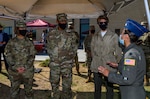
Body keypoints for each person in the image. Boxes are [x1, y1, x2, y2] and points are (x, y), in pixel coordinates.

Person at [98, 19, 149, 99]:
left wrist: (108, 74)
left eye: (122, 32)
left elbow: (127, 79)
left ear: (127, 36)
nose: (120, 35)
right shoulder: (136, 49)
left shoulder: (130, 55)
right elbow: (134, 69)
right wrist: (118, 66)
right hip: (136, 92)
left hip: (131, 95)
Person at [46, 13, 78, 99]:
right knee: (54, 86)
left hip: (67, 65)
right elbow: (48, 47)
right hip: (55, 65)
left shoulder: (71, 34)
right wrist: (53, 58)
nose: (63, 22)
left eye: (65, 21)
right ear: (57, 21)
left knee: (67, 87)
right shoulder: (51, 34)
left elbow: (74, 48)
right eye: (61, 21)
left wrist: (69, 58)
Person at [91, 15, 122, 99]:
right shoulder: (95, 36)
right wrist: (95, 59)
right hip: (97, 64)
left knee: (109, 88)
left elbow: (118, 50)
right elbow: (92, 49)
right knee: (97, 88)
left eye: (105, 23)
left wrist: (117, 63)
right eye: (101, 23)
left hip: (109, 65)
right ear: (98, 24)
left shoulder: (113, 36)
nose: (103, 24)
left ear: (107, 23)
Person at [4, 21, 36, 99]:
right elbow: (7, 54)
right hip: (14, 71)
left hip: (27, 71)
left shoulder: (29, 42)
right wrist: (15, 67)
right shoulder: (11, 42)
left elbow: (32, 56)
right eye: (21, 28)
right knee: (14, 91)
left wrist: (25, 67)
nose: (23, 30)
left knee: (28, 91)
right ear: (17, 29)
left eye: (24, 28)